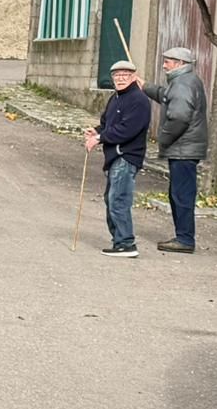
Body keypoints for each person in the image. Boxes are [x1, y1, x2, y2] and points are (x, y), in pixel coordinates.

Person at [140, 46, 209, 254]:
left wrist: (164, 138)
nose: (164, 64)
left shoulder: (182, 84)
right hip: (186, 149)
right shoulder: (184, 82)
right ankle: (183, 237)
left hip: (183, 149)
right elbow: (164, 95)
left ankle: (185, 240)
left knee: (182, 194)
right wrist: (144, 86)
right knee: (178, 193)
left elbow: (179, 116)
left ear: (180, 64)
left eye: (168, 61)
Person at [85, 60, 152, 258]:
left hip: (127, 156)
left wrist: (99, 138)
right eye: (117, 75)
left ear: (133, 77)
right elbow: (107, 123)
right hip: (114, 156)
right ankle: (119, 241)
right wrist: (96, 131)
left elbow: (127, 130)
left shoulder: (138, 100)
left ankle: (126, 243)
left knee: (118, 199)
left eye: (125, 75)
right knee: (111, 198)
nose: (120, 78)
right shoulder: (116, 97)